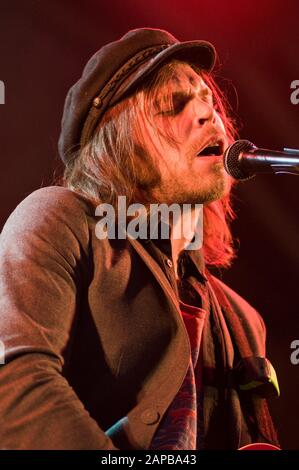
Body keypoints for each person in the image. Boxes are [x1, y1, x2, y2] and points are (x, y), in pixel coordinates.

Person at [0, 28, 280, 450]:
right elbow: (15, 379)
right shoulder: (59, 219)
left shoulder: (244, 321)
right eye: (173, 105)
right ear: (120, 143)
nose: (208, 114)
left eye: (207, 98)